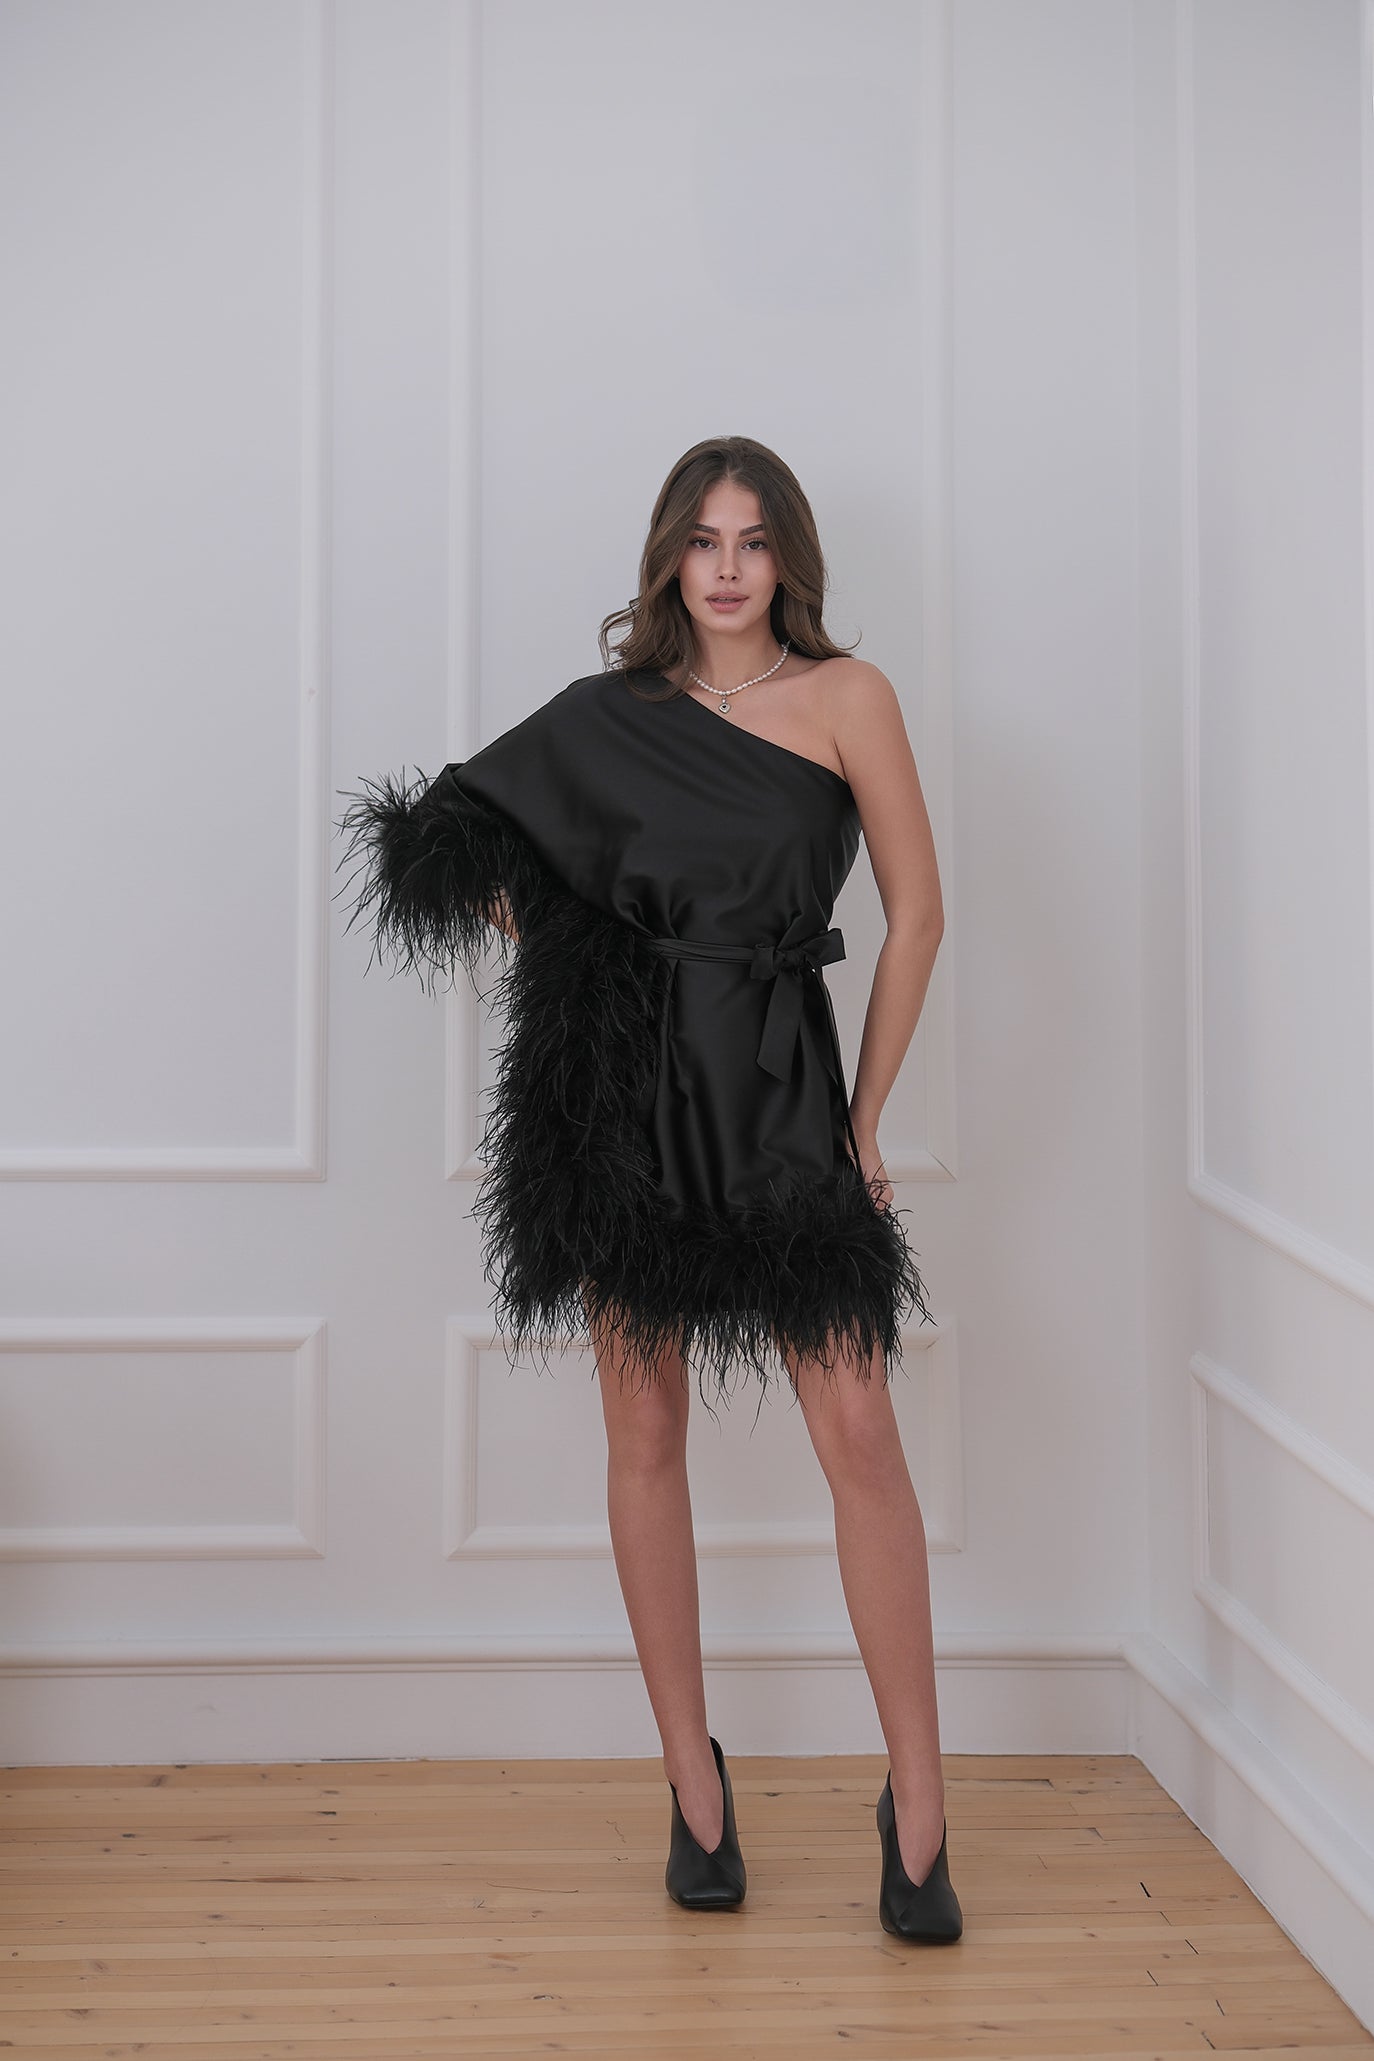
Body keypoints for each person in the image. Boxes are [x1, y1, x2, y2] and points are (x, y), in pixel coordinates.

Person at [334, 434, 962, 1943]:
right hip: (623, 1108)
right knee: (644, 1423)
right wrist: (577, 945)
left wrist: (866, 1119)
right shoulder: (605, 715)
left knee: (859, 1429)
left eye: (753, 539)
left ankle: (921, 1809)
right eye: (702, 539)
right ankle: (693, 1782)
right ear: (670, 556)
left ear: (787, 556)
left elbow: (919, 914)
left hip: (780, 1095)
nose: (727, 567)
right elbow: (447, 841)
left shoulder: (849, 699)